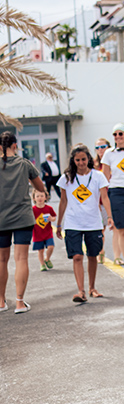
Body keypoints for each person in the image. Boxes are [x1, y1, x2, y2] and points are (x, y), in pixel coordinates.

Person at [56, 144, 113, 303]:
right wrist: (59, 224)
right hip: (73, 223)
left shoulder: (98, 176)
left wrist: (109, 216)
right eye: (77, 160)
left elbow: (105, 198)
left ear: (88, 159)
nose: (81, 162)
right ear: (73, 161)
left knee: (93, 255)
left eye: (83, 159)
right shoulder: (67, 177)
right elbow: (63, 201)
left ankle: (92, 288)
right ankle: (81, 291)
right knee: (77, 256)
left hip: (93, 223)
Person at [0, 131, 46, 314]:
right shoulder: (24, 164)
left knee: (2, 260)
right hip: (22, 218)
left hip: (0, 219)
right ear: (14, 145)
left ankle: (1, 302)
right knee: (21, 259)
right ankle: (19, 303)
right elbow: (40, 188)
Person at [100, 123, 124, 279]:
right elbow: (104, 180)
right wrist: (105, 202)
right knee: (123, 230)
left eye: (120, 134)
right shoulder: (109, 154)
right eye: (115, 134)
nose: (117, 137)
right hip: (117, 193)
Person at [93, 137, 112, 264]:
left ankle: (119, 255)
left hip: (113, 198)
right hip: (99, 201)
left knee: (118, 228)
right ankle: (101, 251)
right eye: (97, 147)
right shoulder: (94, 165)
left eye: (103, 146)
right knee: (101, 229)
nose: (100, 150)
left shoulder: (113, 160)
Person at [32, 189, 56, 272]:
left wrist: (51, 219)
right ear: (34, 198)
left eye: (42, 196)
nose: (40, 198)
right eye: (37, 196)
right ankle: (42, 264)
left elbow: (54, 217)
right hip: (37, 233)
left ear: (46, 197)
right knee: (40, 250)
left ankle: (47, 259)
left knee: (51, 247)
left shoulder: (49, 208)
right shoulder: (33, 209)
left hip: (48, 232)